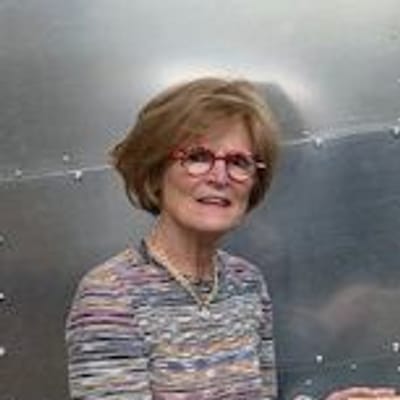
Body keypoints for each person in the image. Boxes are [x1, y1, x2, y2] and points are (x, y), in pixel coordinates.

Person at [65, 77, 396, 400]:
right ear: (155, 170)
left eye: (239, 162)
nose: (220, 177)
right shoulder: (110, 295)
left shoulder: (246, 282)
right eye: (198, 157)